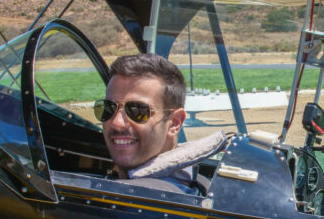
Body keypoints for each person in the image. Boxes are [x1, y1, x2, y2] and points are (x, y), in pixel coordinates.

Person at [94, 53, 226, 195]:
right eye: (108, 108)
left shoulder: (136, 198)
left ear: (174, 123)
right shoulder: (198, 183)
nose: (117, 123)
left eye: (137, 110)